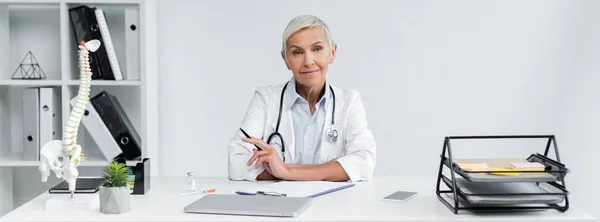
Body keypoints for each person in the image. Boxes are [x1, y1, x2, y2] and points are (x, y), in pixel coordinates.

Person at [227, 15, 376, 182]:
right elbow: (237, 162)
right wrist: (330, 170)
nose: (308, 61)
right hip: (279, 204)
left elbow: (364, 163)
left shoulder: (349, 102)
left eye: (317, 49)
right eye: (297, 52)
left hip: (333, 204)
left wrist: (285, 171)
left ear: (332, 53)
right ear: (286, 60)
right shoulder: (266, 99)